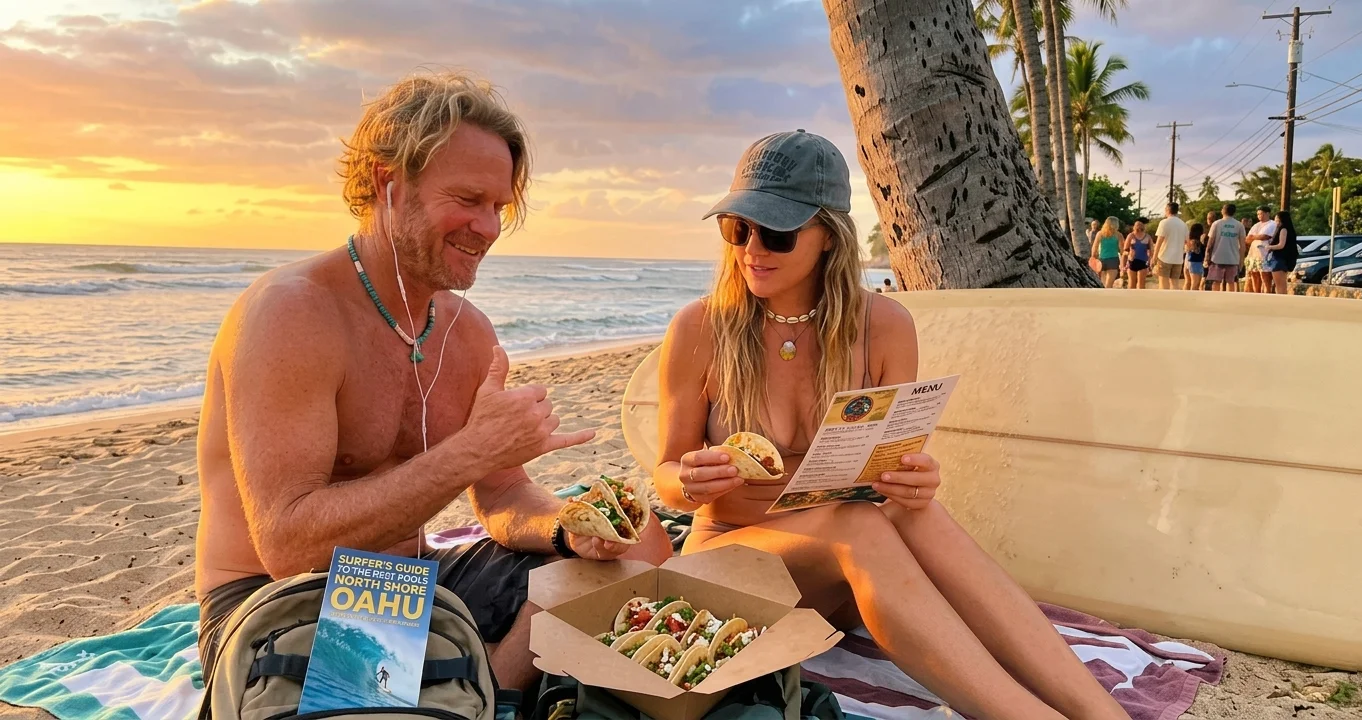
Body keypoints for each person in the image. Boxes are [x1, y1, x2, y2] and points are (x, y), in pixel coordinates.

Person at [193, 70, 672, 690]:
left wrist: (569, 529)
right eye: (468, 200)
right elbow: (288, 546)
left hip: (417, 580)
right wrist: (469, 451)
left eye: (498, 208)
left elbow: (502, 498)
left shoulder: (466, 332)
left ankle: (484, 691)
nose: (490, 229)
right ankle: (470, 691)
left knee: (645, 552)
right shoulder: (293, 314)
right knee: (386, 670)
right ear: (386, 182)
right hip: (283, 602)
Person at [652, 130, 1129, 720]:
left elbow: (885, 472)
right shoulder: (702, 327)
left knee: (912, 510)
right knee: (859, 524)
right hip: (730, 559)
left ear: (828, 235)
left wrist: (913, 479)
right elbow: (666, 477)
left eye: (775, 231)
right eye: (737, 229)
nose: (752, 248)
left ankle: (1101, 714)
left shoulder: (884, 326)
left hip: (840, 583)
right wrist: (691, 480)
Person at [1205, 203, 1245, 292]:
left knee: (1216, 281)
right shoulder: (1239, 225)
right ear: (1234, 212)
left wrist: (1206, 256)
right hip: (1233, 258)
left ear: (1223, 211)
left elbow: (1210, 243)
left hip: (1217, 258)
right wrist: (1241, 261)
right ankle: (1230, 301)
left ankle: (1216, 299)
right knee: (1231, 282)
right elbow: (1242, 245)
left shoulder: (1216, 223)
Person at [1153, 203, 1189, 290]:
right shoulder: (1183, 224)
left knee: (1163, 283)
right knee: (1175, 283)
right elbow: (1187, 242)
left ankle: (1164, 301)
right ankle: (1175, 301)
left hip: (1164, 257)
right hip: (1178, 258)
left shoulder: (1164, 222)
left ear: (1167, 210)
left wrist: (1154, 256)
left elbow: (1159, 241)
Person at [1267, 210, 1300, 295]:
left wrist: (1269, 247)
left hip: (1279, 258)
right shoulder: (1289, 229)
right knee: (1282, 284)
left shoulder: (1283, 229)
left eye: (1276, 218)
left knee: (1279, 285)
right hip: (1284, 258)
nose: (1275, 220)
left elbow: (1281, 245)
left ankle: (1280, 301)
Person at [1089, 217, 1123, 288]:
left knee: (1103, 284)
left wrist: (1093, 257)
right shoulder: (1118, 235)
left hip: (1102, 260)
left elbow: (1094, 247)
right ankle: (1107, 298)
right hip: (1113, 260)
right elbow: (1122, 249)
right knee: (1109, 285)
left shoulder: (1100, 234)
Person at [1123, 218, 1153, 290]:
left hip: (1143, 261)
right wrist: (1129, 254)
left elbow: (1151, 251)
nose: (1138, 227)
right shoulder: (1131, 236)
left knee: (1141, 284)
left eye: (1140, 225)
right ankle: (1131, 299)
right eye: (1137, 225)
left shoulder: (1147, 237)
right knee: (1132, 283)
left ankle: (1140, 299)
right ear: (1134, 227)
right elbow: (1125, 250)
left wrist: (1150, 261)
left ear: (1143, 226)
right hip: (1132, 261)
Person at [1184, 222, 1207, 291]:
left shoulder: (1189, 241)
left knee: (1187, 282)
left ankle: (1184, 297)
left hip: (1187, 261)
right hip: (1195, 263)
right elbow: (1198, 252)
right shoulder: (1197, 242)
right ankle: (1192, 299)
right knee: (1195, 284)